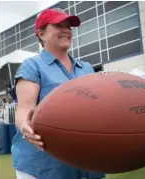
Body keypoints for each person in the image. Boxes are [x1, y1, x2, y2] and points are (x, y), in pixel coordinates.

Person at [11, 8, 106, 179]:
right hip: (43, 164)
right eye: (58, 26)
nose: (66, 30)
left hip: (87, 159)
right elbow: (24, 108)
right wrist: (26, 126)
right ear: (41, 33)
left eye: (68, 27)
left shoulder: (86, 68)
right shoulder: (32, 66)